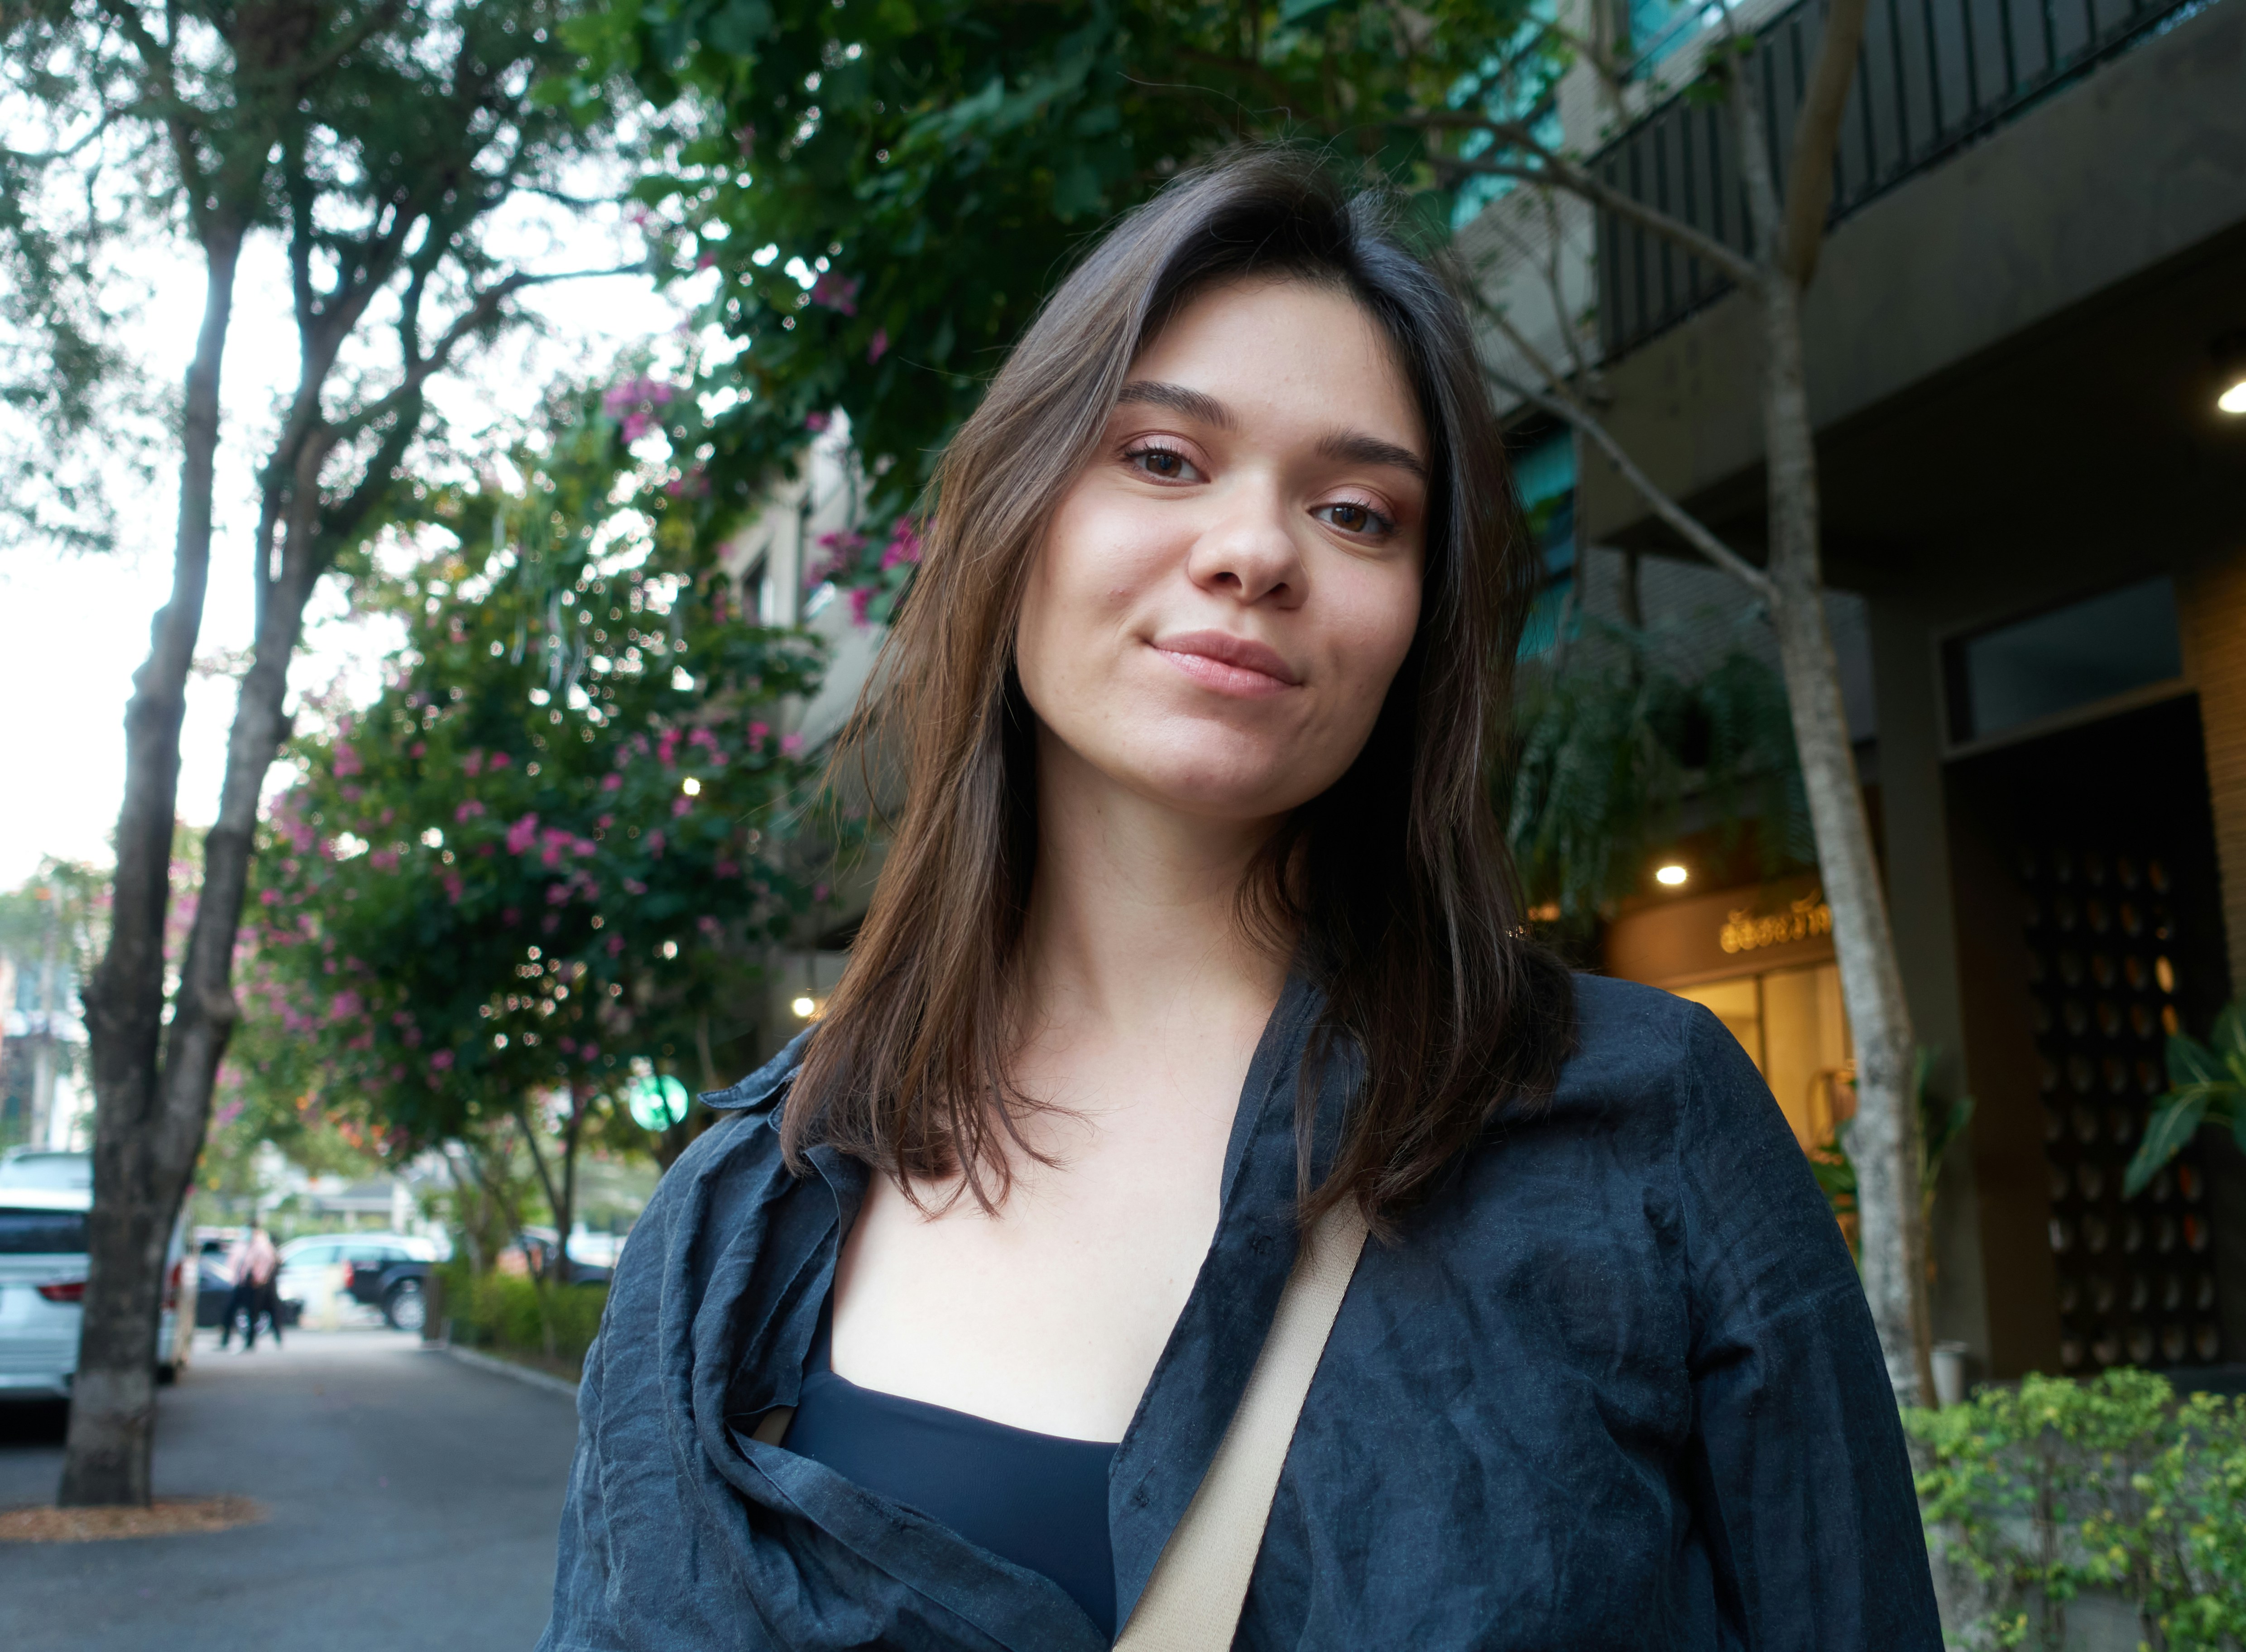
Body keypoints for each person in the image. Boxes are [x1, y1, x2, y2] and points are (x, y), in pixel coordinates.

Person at [542, 149, 1939, 1651]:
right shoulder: (735, 1216)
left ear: (1418, 623)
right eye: (1159, 458)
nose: (1256, 550)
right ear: (1012, 525)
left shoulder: (1643, 1129)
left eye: (1356, 512)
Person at [221, 1225, 278, 1352]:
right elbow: (234, 1261)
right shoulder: (242, 1245)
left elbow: (270, 1260)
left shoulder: (261, 1245)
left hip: (253, 1283)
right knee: (230, 1311)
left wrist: (261, 1277)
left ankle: (250, 1342)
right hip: (240, 1282)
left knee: (253, 1313)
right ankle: (225, 1340)